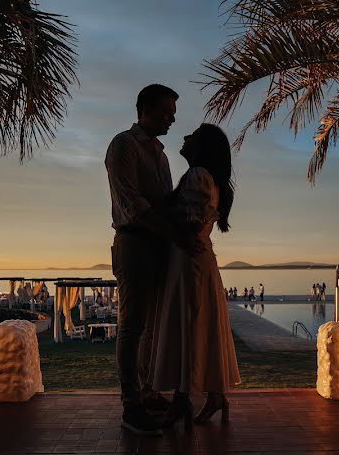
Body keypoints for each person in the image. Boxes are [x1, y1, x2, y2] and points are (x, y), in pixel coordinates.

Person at [106, 83, 186, 436]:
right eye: (167, 111)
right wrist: (173, 233)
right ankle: (130, 404)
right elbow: (132, 204)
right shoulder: (124, 145)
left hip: (159, 246)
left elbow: (165, 203)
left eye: (173, 112)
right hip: (134, 243)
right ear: (145, 110)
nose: (173, 118)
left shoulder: (162, 155)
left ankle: (149, 391)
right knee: (132, 325)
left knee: (152, 326)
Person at [150, 123, 241, 428]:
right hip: (194, 259)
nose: (185, 137)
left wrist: (154, 214)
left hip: (189, 261)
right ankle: (210, 396)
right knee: (197, 325)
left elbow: (188, 223)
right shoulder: (206, 177)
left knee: (189, 325)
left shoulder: (198, 175)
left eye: (193, 136)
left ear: (201, 147)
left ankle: (182, 400)